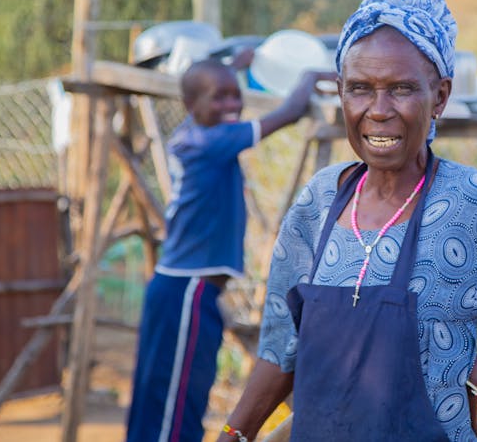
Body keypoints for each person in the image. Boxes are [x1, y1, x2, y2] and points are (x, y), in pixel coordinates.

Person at [216, 0, 477, 442]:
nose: (379, 110)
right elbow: (280, 347)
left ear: (441, 97)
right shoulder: (320, 201)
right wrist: (235, 433)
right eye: (360, 89)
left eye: (402, 89)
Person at [125, 56, 334, 442]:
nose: (231, 106)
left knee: (162, 396)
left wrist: (235, 62)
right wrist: (310, 74)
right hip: (187, 291)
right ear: (190, 104)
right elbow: (289, 112)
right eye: (218, 97)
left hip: (180, 289)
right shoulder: (211, 142)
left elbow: (213, 86)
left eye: (235, 96)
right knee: (177, 404)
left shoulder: (193, 135)